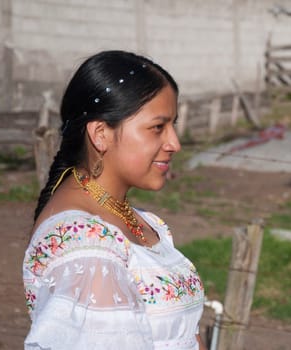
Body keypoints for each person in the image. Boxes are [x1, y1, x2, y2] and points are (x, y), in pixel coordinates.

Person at [22, 50, 206, 350]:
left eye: (172, 125)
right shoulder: (85, 244)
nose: (174, 143)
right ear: (100, 134)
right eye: (158, 127)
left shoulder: (139, 220)